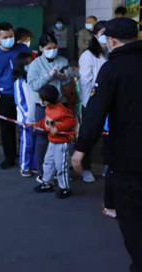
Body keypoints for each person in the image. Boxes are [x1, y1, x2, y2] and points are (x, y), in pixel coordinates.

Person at [71, 18, 142, 271]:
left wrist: (81, 148)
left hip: (127, 159)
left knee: (132, 222)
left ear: (111, 41)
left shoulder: (112, 69)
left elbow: (95, 113)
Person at [0, 22, 31, 169]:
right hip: (5, 96)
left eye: (11, 36)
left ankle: (26, 156)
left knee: (26, 126)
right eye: (5, 37)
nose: (9, 39)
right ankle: (9, 157)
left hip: (24, 94)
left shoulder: (22, 49)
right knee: (7, 129)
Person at [27, 33, 71, 178]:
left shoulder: (63, 60)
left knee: (62, 137)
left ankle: (61, 171)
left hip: (60, 104)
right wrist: (47, 76)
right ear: (41, 48)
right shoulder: (35, 64)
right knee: (42, 138)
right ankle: (42, 172)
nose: (52, 50)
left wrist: (64, 77)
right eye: (48, 48)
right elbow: (33, 85)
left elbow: (67, 81)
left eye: (54, 47)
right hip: (43, 105)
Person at [34, 85, 77, 199]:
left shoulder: (61, 110)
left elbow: (71, 121)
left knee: (61, 166)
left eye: (40, 98)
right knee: (48, 162)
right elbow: (46, 121)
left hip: (62, 143)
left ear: (46, 102)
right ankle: (47, 183)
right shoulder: (48, 109)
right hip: (52, 141)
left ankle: (65, 188)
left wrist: (58, 128)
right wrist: (37, 125)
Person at [78, 21, 108, 182]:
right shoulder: (88, 56)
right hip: (92, 102)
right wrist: (89, 103)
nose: (106, 37)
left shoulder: (111, 52)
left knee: (109, 137)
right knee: (88, 137)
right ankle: (86, 168)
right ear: (95, 35)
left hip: (109, 103)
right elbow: (85, 82)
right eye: (103, 33)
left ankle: (108, 165)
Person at [13, 52, 38, 177]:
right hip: (26, 119)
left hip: (37, 118)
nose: (31, 65)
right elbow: (19, 101)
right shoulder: (19, 81)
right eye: (28, 63)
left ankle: (35, 165)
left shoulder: (35, 79)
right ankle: (25, 166)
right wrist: (27, 116)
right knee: (27, 144)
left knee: (37, 144)